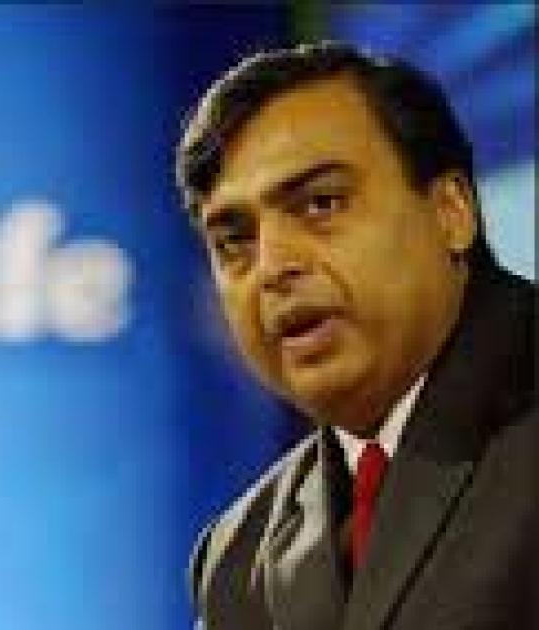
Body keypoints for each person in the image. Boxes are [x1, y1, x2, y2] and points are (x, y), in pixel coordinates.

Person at [176, 41, 536, 630]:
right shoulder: (237, 559)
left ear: (451, 211)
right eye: (234, 241)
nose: (272, 267)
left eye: (321, 204)